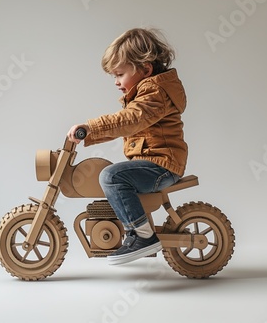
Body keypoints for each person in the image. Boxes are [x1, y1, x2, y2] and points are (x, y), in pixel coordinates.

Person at [67, 28, 188, 265]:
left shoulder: (154, 94)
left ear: (145, 69)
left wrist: (90, 127)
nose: (116, 82)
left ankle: (142, 235)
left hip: (161, 166)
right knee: (115, 174)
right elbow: (126, 126)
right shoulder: (148, 93)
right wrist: (89, 136)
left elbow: (129, 120)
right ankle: (138, 231)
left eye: (119, 74)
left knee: (111, 177)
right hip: (158, 163)